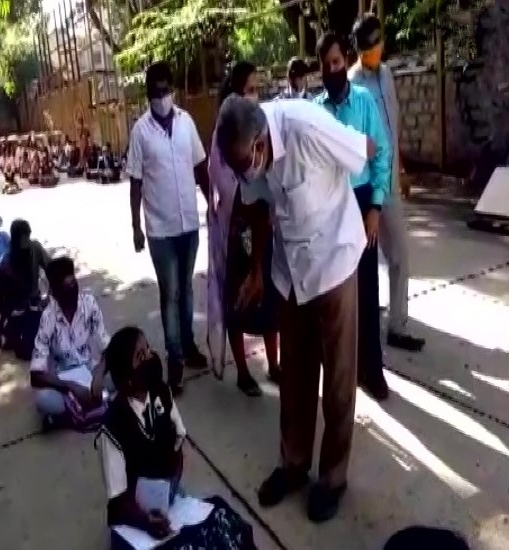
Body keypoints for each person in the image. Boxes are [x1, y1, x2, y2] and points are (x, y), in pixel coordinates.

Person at [214, 94, 373, 522]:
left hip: (335, 265)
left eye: (245, 162)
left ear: (262, 142)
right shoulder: (244, 155)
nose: (241, 171)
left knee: (338, 382)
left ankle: (333, 477)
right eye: (235, 166)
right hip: (289, 276)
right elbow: (261, 207)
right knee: (296, 380)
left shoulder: (306, 127)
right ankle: (294, 465)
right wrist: (258, 272)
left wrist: (371, 206)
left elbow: (365, 150)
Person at [94, 326, 258, 549]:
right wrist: (146, 520)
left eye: (148, 350)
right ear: (126, 381)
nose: (151, 358)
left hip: (167, 500)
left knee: (222, 521)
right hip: (132, 520)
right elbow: (118, 502)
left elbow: (177, 446)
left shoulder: (161, 393)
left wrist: (170, 488)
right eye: (140, 357)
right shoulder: (112, 429)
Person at [314, 31, 391, 401]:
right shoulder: (316, 110)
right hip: (330, 205)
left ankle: (372, 371)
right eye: (326, 65)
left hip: (361, 202)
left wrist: (375, 207)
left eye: (337, 62)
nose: (333, 69)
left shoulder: (363, 103)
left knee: (366, 289)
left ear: (346, 61)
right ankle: (343, 374)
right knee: (337, 295)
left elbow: (381, 155)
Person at [127, 61, 210, 396]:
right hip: (159, 229)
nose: (163, 96)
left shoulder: (186, 121)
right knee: (170, 292)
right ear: (148, 94)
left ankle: (188, 346)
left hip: (188, 223)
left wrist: (212, 203)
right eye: (157, 91)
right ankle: (174, 360)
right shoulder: (140, 131)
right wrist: (135, 226)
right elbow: (135, 182)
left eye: (166, 89)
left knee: (187, 289)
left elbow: (200, 166)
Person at [350, 14, 425, 352]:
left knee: (401, 256)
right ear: (360, 49)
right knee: (360, 264)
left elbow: (393, 129)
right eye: (369, 47)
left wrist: (403, 168)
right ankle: (360, 329)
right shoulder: (353, 83)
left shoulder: (387, 75)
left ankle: (398, 325)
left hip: (390, 184)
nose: (376, 51)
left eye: (378, 44)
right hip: (365, 189)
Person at [207, 61, 279, 395]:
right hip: (236, 229)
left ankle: (274, 364)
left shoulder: (262, 125)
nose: (255, 95)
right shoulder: (225, 131)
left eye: (256, 89)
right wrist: (244, 202)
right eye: (249, 89)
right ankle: (243, 373)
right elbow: (220, 177)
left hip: (262, 226)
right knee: (237, 299)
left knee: (268, 292)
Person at [30, 256, 110, 428]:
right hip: (63, 379)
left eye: (74, 284)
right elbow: (36, 376)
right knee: (43, 400)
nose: (73, 291)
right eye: (66, 288)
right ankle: (89, 405)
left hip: (90, 369)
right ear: (54, 292)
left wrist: (98, 375)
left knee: (124, 370)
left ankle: (77, 410)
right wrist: (70, 386)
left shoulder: (89, 304)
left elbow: (108, 348)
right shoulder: (48, 318)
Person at [0, 219, 50, 358]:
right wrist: (9, 311)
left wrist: (50, 296)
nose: (26, 241)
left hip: (34, 304)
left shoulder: (35, 248)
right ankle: (8, 335)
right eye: (22, 237)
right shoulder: (4, 264)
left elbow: (52, 268)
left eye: (28, 236)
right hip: (14, 308)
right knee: (25, 350)